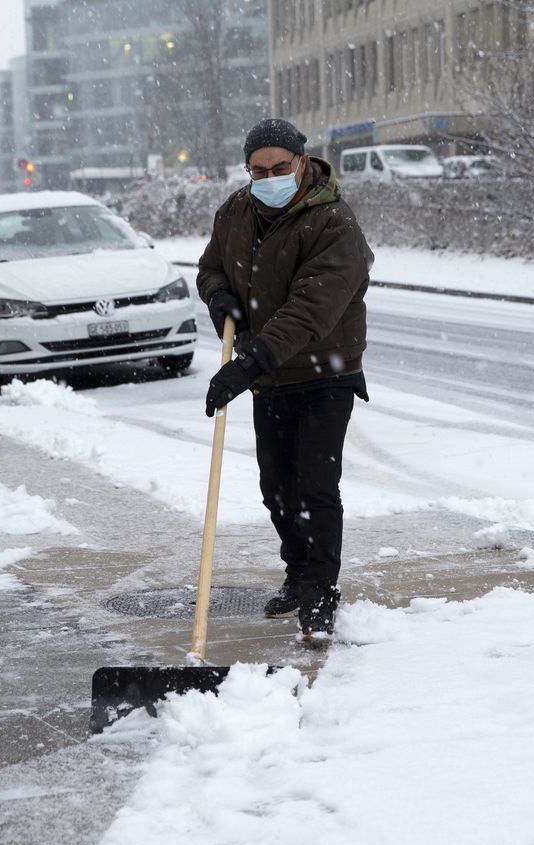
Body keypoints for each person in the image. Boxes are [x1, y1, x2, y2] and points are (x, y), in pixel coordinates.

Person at [196, 117, 373, 637]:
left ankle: (321, 591)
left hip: (325, 372)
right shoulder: (234, 212)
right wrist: (218, 296)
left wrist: (247, 364)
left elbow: (309, 310)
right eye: (257, 170)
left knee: (316, 486)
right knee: (276, 488)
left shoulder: (334, 222)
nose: (268, 177)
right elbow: (210, 267)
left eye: (278, 167)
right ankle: (298, 575)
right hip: (271, 376)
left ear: (302, 161)